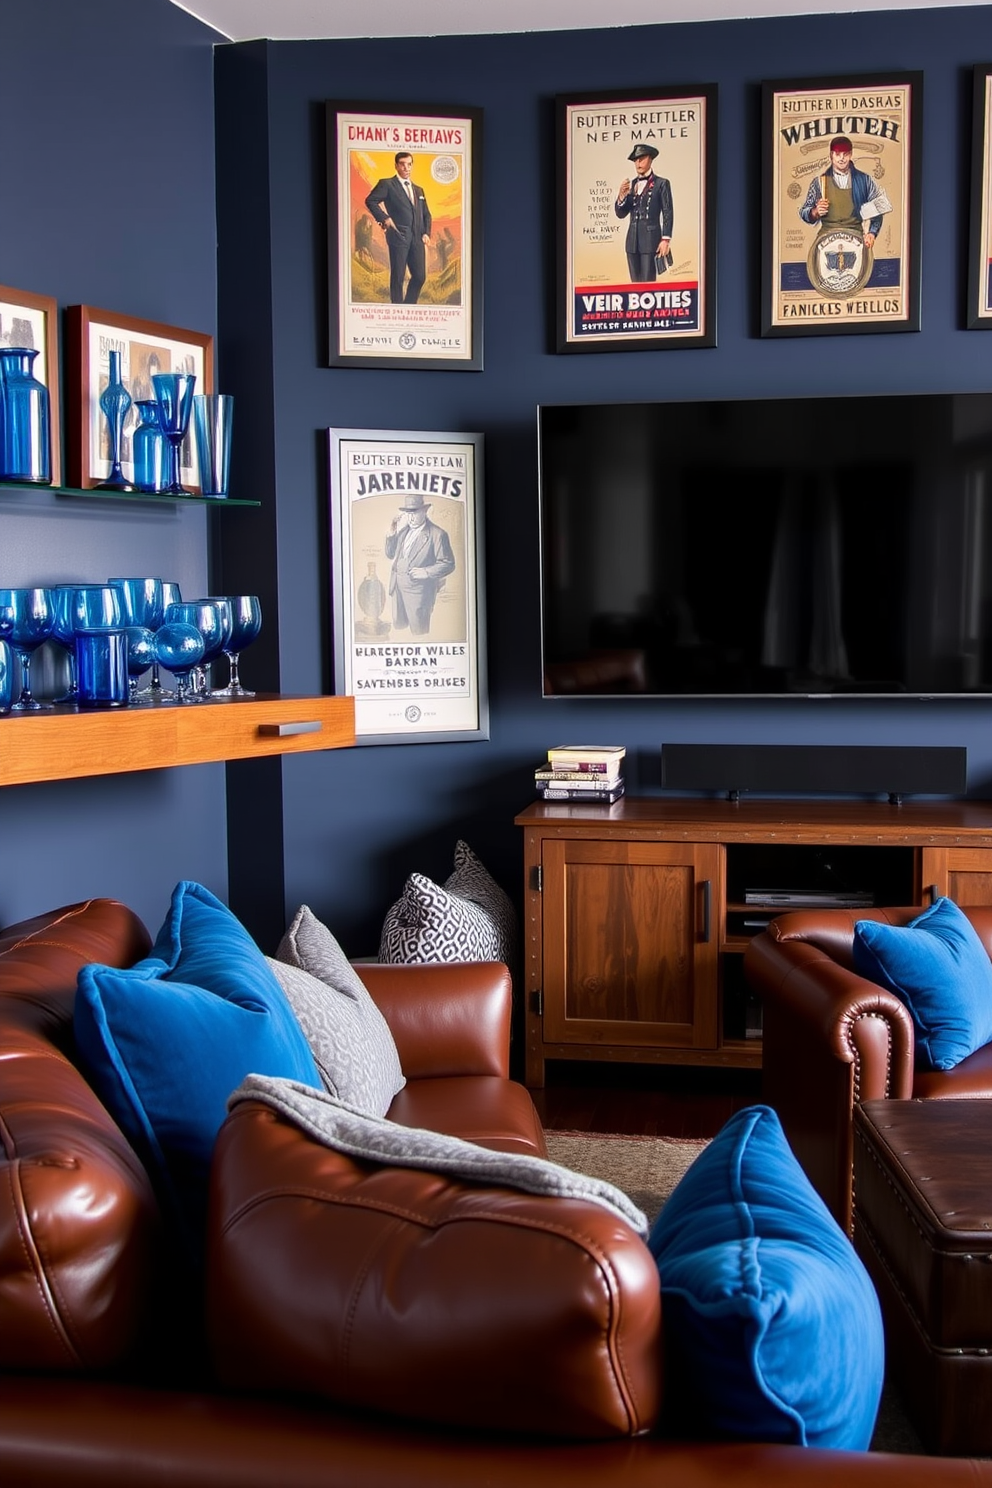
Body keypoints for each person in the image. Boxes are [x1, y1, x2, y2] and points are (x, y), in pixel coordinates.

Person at [798, 136, 892, 249]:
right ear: (831, 155)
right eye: (837, 154)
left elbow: (879, 208)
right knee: (814, 262)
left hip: (856, 239)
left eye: (845, 154)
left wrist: (872, 233)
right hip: (826, 240)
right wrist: (815, 212)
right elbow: (804, 212)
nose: (841, 158)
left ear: (851, 154)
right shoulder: (819, 182)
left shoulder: (865, 180)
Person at [365, 152, 433, 304]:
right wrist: (384, 218)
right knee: (398, 277)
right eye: (402, 164)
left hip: (417, 239)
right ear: (396, 165)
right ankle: (396, 309)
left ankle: (408, 307)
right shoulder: (387, 184)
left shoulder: (418, 190)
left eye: (409, 164)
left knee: (420, 276)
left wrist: (426, 233)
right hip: (398, 235)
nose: (406, 167)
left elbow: (427, 214)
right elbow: (371, 200)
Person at [384, 490, 455, 635]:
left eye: (414, 512)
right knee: (400, 632)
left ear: (424, 512)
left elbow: (448, 563)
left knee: (419, 634)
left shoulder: (437, 534)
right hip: (397, 590)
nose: (411, 517)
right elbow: (390, 554)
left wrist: (426, 572)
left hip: (419, 594)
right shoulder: (403, 532)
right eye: (408, 513)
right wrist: (391, 534)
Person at [614, 144, 674, 283]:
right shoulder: (633, 184)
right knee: (635, 284)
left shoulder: (662, 184)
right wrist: (621, 197)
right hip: (632, 242)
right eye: (636, 160)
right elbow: (621, 214)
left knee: (648, 283)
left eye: (641, 158)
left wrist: (665, 239)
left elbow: (667, 212)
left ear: (650, 159)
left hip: (650, 240)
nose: (638, 163)